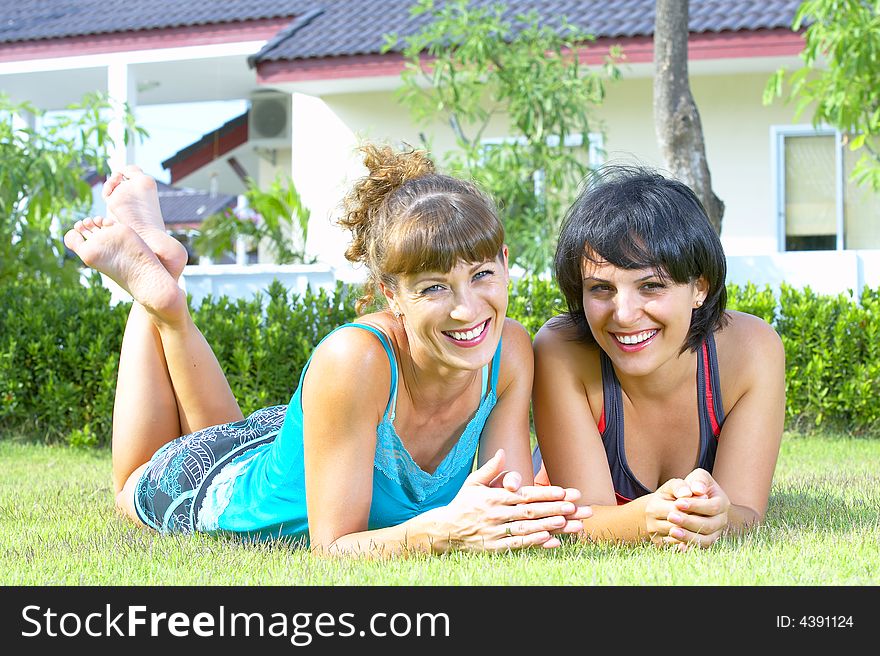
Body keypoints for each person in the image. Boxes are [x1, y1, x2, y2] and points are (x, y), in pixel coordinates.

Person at [64, 144, 589, 557]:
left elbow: (511, 507)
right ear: (391, 294)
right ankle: (156, 299)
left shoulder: (511, 350)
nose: (467, 309)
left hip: (283, 445)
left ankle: (165, 282)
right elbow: (333, 550)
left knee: (235, 447)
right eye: (433, 288)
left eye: (482, 275)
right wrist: (442, 530)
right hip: (216, 492)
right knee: (131, 485)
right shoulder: (355, 359)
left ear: (504, 261)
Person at [531, 165, 785, 550]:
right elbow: (578, 522)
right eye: (601, 288)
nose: (624, 313)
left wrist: (718, 517)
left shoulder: (751, 352)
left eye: (651, 286)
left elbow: (746, 511)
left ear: (699, 287)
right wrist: (649, 519)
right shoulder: (560, 350)